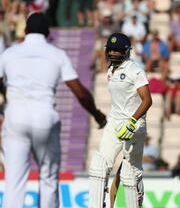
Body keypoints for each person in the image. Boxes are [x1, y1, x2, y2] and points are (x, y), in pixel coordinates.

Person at [0, 12, 107, 208]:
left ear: (25, 30)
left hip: (15, 116)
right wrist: (97, 115)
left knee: (14, 181)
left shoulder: (9, 54)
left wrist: (5, 98)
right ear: (48, 32)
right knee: (48, 177)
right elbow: (80, 92)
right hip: (45, 117)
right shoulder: (57, 54)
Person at [88, 32, 152, 208]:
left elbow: (148, 100)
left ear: (126, 51)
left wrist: (132, 122)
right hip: (114, 123)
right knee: (99, 166)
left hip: (134, 125)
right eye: (111, 50)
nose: (114, 54)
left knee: (130, 175)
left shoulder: (135, 70)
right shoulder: (110, 71)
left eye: (118, 50)